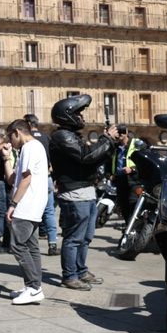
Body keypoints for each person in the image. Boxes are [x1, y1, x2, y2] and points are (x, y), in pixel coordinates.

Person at [49, 94, 118, 291]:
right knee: (74, 238)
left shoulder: (72, 136)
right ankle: (69, 275)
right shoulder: (62, 136)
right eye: (79, 113)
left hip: (87, 191)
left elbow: (94, 159)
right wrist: (106, 139)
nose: (82, 117)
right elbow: (86, 157)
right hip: (74, 193)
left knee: (86, 237)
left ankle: (80, 270)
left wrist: (110, 144)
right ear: (67, 115)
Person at [3, 119, 49, 305]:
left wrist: (13, 203)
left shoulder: (30, 148)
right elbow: (12, 179)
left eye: (10, 137)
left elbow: (26, 179)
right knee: (31, 247)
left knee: (18, 246)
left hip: (26, 204)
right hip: (33, 204)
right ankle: (33, 285)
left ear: (17, 132)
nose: (9, 142)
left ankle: (34, 288)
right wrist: (7, 158)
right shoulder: (31, 149)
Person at [24, 113, 58, 256]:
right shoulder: (46, 137)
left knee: (32, 211)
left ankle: (32, 245)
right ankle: (53, 243)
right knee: (49, 211)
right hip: (47, 177)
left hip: (33, 179)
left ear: (29, 124)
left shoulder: (28, 140)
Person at [111, 124, 142, 225]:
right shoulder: (114, 147)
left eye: (122, 132)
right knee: (123, 207)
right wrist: (109, 174)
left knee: (133, 206)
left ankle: (133, 229)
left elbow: (146, 162)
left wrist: (132, 169)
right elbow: (108, 162)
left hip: (134, 181)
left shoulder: (136, 144)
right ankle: (129, 228)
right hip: (120, 181)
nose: (119, 135)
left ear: (126, 133)